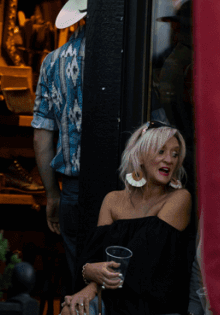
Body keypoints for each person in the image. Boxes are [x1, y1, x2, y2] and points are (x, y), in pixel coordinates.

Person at [63, 122, 192, 315]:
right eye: (161, 152)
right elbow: (91, 256)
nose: (169, 160)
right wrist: (88, 269)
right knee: (71, 310)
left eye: (175, 154)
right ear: (139, 156)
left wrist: (91, 284)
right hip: (111, 299)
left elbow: (142, 261)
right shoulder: (112, 200)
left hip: (153, 305)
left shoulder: (180, 198)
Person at [32, 0, 88, 282]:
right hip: (127, 189)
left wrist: (52, 193)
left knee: (79, 282)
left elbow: (42, 138)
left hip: (73, 192)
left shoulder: (53, 62)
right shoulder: (124, 56)